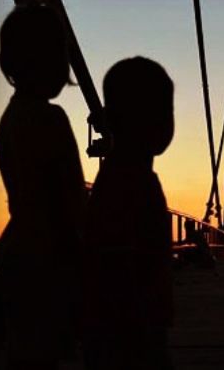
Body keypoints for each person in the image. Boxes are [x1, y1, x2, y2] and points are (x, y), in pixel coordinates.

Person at [0, 5, 86, 370]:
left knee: (26, 353)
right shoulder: (52, 119)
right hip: (52, 256)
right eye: (62, 53)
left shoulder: (10, 118)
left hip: (18, 251)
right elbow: (71, 200)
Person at [83, 57, 174, 370]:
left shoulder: (120, 177)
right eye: (162, 113)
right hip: (130, 340)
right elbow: (118, 266)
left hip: (128, 334)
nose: (167, 123)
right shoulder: (130, 183)